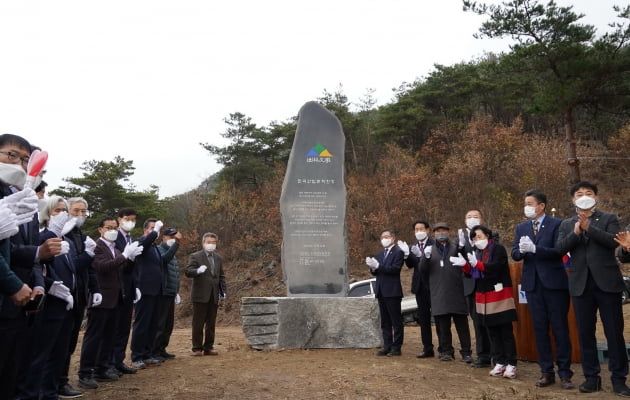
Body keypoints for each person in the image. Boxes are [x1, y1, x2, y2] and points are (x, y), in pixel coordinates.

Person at [556, 181, 630, 396]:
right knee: (585, 332)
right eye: (580, 193)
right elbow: (560, 248)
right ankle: (591, 377)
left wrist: (590, 228)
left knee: (614, 332)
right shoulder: (566, 224)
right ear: (573, 199)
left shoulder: (608, 218)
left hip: (607, 283)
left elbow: (612, 242)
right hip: (580, 284)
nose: (584, 196)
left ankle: (619, 379)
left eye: (589, 193)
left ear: (596, 197)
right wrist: (577, 232)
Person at [0, 134, 51, 400]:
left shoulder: (23, 202)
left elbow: (26, 254)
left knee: (12, 368)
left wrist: (38, 284)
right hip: (10, 291)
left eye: (24, 159)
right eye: (12, 156)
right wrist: (13, 283)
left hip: (19, 299)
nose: (18, 164)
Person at [14, 196, 79, 400]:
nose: (61, 214)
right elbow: (35, 263)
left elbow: (74, 270)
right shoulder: (42, 236)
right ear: (48, 212)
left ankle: (50, 391)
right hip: (46, 304)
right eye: (56, 210)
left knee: (59, 352)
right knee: (39, 355)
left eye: (64, 210)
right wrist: (49, 286)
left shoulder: (66, 241)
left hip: (65, 303)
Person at [511, 190, 573, 389]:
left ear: (541, 206)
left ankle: (565, 373)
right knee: (539, 329)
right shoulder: (522, 227)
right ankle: (546, 371)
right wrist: (520, 251)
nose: (527, 207)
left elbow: (560, 250)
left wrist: (537, 249)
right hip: (532, 285)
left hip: (554, 284)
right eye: (525, 203)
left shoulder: (558, 224)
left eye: (530, 203)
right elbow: (514, 253)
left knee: (559, 328)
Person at [77, 217, 142, 391]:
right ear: (100, 230)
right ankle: (85, 372)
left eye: (114, 227)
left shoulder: (115, 248)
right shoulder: (97, 247)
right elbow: (102, 267)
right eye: (108, 227)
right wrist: (125, 256)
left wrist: (131, 259)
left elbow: (123, 270)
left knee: (109, 336)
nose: (112, 230)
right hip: (101, 298)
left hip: (117, 298)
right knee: (94, 336)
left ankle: (102, 368)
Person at [455, 225, 518, 378]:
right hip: (483, 298)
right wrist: (465, 266)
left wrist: (478, 265)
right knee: (492, 332)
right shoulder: (477, 252)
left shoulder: (498, 249)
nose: (477, 240)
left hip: (499, 296)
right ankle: (499, 361)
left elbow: (496, 267)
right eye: (474, 238)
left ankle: (511, 363)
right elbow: (473, 274)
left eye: (479, 236)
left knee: (505, 331)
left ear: (488, 235)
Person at [58, 197, 101, 398]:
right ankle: (58, 382)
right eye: (76, 211)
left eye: (84, 212)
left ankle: (62, 380)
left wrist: (95, 288)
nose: (81, 215)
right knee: (60, 342)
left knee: (71, 341)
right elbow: (73, 265)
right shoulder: (61, 235)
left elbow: (89, 269)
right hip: (63, 295)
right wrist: (88, 255)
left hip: (80, 295)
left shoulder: (80, 235)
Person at [420, 222, 472, 362]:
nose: (440, 233)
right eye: (437, 231)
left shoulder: (456, 248)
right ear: (434, 234)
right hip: (438, 293)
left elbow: (467, 265)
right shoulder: (430, 250)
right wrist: (425, 257)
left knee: (462, 326)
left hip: (456, 292)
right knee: (442, 327)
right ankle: (446, 351)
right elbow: (422, 270)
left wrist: (462, 249)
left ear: (448, 232)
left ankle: (466, 352)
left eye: (443, 230)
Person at [457, 209, 492, 368]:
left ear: (482, 219)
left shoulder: (489, 236)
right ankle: (483, 356)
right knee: (477, 323)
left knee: (491, 322)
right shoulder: (461, 239)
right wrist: (460, 247)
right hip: (471, 286)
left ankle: (497, 355)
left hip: (488, 286)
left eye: (475, 217)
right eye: (469, 217)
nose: (472, 219)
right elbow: (458, 260)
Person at [129, 218, 166, 369]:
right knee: (142, 324)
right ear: (145, 230)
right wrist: (154, 232)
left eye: (156, 229)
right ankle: (137, 355)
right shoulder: (139, 243)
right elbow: (142, 245)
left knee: (153, 324)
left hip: (156, 291)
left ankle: (148, 354)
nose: (155, 232)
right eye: (152, 228)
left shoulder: (154, 247)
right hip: (144, 290)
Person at [110, 207, 141, 375]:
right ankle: (109, 362)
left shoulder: (132, 239)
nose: (130, 222)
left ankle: (119, 360)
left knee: (124, 326)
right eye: (128, 218)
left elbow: (132, 267)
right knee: (114, 326)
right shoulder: (115, 237)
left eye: (133, 219)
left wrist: (136, 287)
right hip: (116, 287)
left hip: (129, 287)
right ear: (120, 219)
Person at [365, 229, 405, 357]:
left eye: (386, 237)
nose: (384, 239)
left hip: (392, 291)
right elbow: (377, 272)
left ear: (393, 238)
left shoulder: (398, 252)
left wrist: (378, 266)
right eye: (382, 237)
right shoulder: (380, 254)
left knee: (396, 321)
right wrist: (372, 267)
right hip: (381, 290)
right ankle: (387, 346)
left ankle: (396, 347)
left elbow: (394, 269)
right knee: (385, 321)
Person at [185, 232, 226, 356]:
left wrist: (223, 291)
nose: (211, 245)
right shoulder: (195, 256)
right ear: (203, 243)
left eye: (213, 243)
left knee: (211, 322)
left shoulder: (218, 258)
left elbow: (221, 276)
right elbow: (188, 271)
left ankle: (208, 347)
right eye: (209, 242)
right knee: (198, 322)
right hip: (200, 294)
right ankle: (197, 348)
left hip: (214, 294)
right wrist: (197, 270)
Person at [403, 220, 438, 358]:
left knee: (439, 318)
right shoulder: (413, 246)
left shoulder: (435, 244)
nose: (419, 232)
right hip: (419, 287)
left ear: (428, 230)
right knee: (423, 320)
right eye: (416, 229)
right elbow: (411, 265)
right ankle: (427, 348)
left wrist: (422, 257)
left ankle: (444, 349)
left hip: (434, 285)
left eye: (421, 229)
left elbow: (434, 263)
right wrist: (407, 255)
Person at [152, 227, 182, 360]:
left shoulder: (172, 253)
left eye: (175, 238)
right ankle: (155, 350)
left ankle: (162, 348)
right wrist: (177, 244)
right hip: (162, 292)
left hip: (170, 291)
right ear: (163, 238)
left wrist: (176, 291)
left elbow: (175, 273)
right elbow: (164, 260)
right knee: (160, 323)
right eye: (171, 237)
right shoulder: (159, 250)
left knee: (168, 323)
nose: (173, 240)